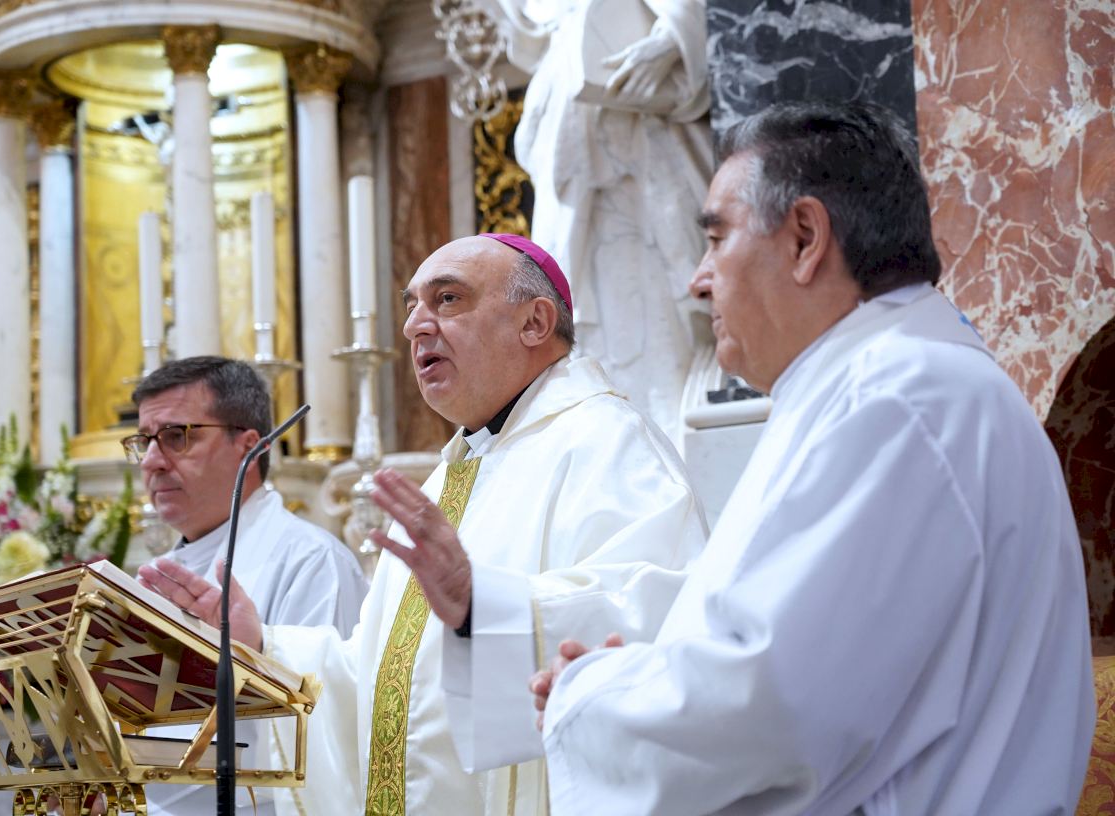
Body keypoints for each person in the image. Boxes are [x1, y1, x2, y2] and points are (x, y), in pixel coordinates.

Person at [530, 101, 1096, 814]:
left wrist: (591, 697)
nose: (697, 280)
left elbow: (770, 704)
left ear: (804, 238)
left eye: (717, 238)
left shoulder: (899, 398)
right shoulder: (900, 384)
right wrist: (634, 680)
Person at [138, 234, 708, 815]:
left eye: (448, 299)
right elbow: (374, 684)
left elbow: (657, 625)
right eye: (411, 306)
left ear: (535, 322)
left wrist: (484, 605)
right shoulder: (452, 474)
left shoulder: (607, 442)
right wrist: (263, 644)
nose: (414, 326)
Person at [125, 356, 368, 816]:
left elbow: (329, 733)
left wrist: (253, 653)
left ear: (248, 448)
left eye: (176, 436)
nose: (152, 461)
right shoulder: (157, 574)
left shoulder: (311, 562)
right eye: (143, 441)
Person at [478, 0, 712, 442]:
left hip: (643, 118)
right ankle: (611, 442)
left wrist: (672, 37)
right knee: (587, 305)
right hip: (574, 116)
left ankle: (677, 435)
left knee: (666, 294)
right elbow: (528, 25)